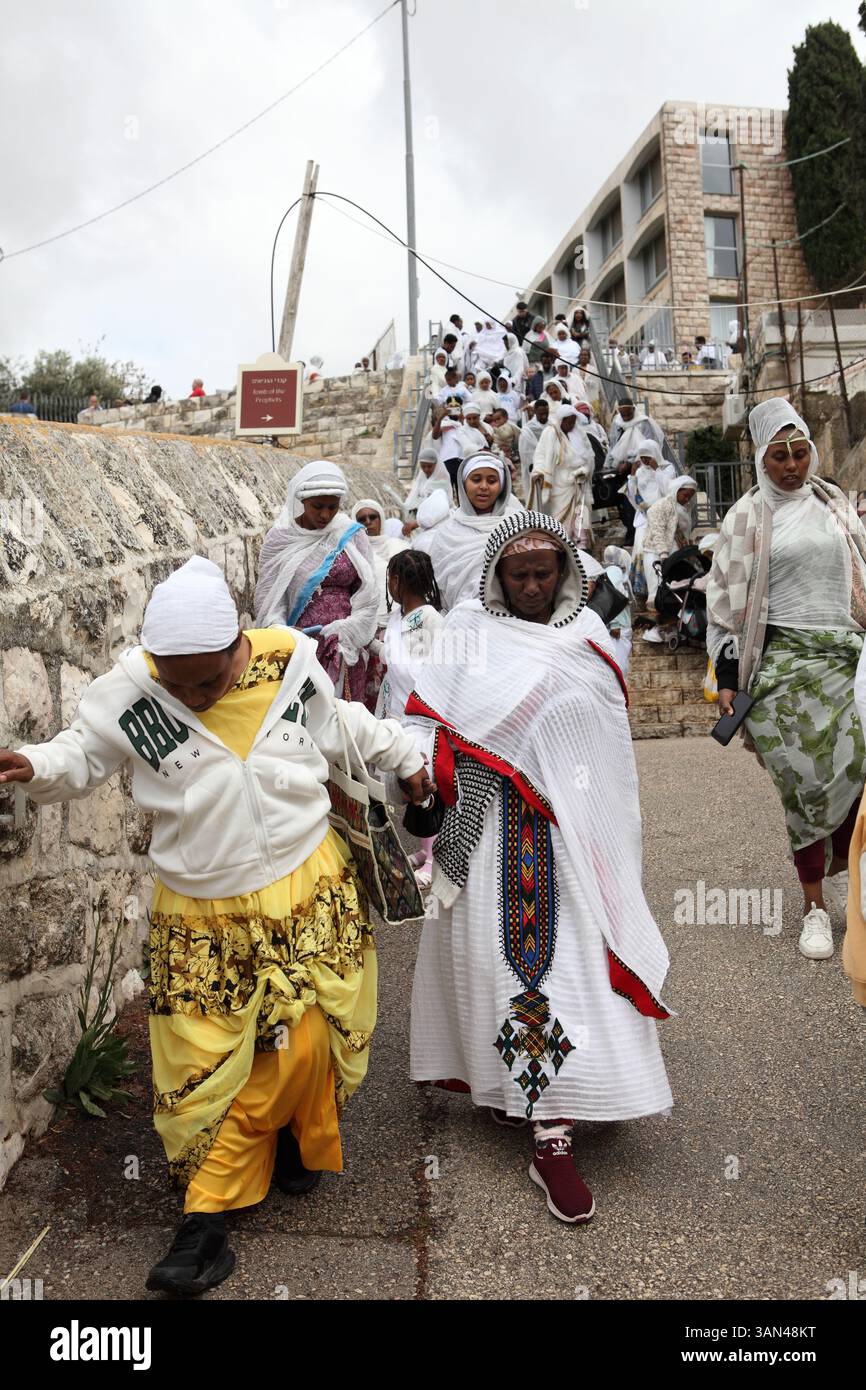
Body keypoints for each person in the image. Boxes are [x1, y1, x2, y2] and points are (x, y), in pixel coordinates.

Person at [0, 555, 431, 1295]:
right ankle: (203, 1222)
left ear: (239, 643)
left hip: (305, 884)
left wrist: (407, 756)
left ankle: (293, 1137)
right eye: (180, 685)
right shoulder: (132, 690)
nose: (195, 699)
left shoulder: (288, 661)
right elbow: (82, 754)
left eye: (209, 681)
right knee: (199, 1064)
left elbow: (340, 726)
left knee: (305, 1039)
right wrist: (32, 764)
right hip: (200, 911)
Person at [406, 510, 673, 1224]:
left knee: (562, 969)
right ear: (497, 576)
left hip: (569, 831)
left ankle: (550, 1123)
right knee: (502, 965)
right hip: (488, 825)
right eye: (518, 575)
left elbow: (606, 742)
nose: (530, 586)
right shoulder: (467, 630)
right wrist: (431, 761)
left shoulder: (586, 634)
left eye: (542, 573)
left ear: (564, 573)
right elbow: (427, 719)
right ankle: (533, 1111)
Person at [706, 398, 866, 961]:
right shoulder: (744, 518)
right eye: (780, 456)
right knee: (804, 787)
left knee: (857, 775)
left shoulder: (832, 502)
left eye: (800, 452)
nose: (793, 465)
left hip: (845, 659)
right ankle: (814, 907)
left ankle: (855, 889)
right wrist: (728, 676)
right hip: (781, 671)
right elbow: (724, 604)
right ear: (761, 459)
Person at [254, 461, 378, 703]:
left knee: (344, 714)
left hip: (345, 646)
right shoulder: (280, 539)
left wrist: (348, 629)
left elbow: (368, 592)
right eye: (317, 506)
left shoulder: (350, 534)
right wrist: (287, 634)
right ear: (301, 500)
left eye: (332, 507)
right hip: (301, 647)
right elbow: (269, 600)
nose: (325, 515)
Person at [376, 550, 445, 888]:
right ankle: (424, 848)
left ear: (396, 581)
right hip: (398, 710)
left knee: (422, 781)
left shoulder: (428, 619)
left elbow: (435, 665)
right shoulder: (398, 618)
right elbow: (395, 657)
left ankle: (435, 858)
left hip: (423, 714)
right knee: (407, 780)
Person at [412, 452, 523, 611]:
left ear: (502, 486)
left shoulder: (518, 524)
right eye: (476, 480)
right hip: (460, 617)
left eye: (492, 481)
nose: (483, 486)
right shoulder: (447, 533)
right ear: (463, 484)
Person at [352, 498, 409, 711]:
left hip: (400, 626)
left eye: (373, 517)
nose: (368, 522)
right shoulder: (352, 553)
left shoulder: (400, 548)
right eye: (362, 519)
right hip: (367, 631)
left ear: (381, 519)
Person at [528, 403, 595, 546]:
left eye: (573, 422)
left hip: (579, 481)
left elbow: (589, 456)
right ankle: (563, 545)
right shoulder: (550, 433)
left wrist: (585, 470)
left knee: (581, 513)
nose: (571, 425)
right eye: (569, 422)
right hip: (560, 482)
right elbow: (540, 455)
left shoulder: (579, 433)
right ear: (561, 420)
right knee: (560, 516)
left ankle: (581, 544)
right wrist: (539, 471)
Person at [640, 475, 698, 635]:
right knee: (658, 591)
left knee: (673, 590)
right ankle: (655, 629)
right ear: (677, 491)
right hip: (657, 553)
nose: (687, 499)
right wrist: (663, 554)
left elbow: (682, 533)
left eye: (690, 497)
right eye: (685, 495)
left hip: (673, 554)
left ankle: (672, 626)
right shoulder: (661, 506)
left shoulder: (683, 509)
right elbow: (658, 531)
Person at [517, 398, 550, 501]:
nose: (544, 416)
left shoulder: (553, 425)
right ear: (535, 412)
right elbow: (525, 453)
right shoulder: (527, 430)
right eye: (541, 414)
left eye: (546, 413)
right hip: (536, 469)